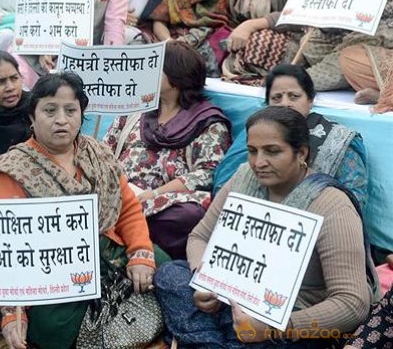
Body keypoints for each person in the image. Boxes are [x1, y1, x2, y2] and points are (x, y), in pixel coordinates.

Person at [155, 105, 379, 348]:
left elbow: (352, 303)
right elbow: (199, 237)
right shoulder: (243, 177)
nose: (259, 162)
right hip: (232, 300)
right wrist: (205, 281)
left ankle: (207, 339)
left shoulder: (331, 204)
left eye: (272, 152)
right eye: (252, 151)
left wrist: (276, 328)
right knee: (170, 275)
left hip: (290, 319)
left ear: (301, 153)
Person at [0, 71, 167, 349]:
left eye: (70, 110)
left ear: (81, 114)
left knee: (167, 271)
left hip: (110, 249)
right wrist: (11, 313)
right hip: (54, 271)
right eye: (50, 110)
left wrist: (140, 254)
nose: (61, 120)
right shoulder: (11, 172)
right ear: (32, 116)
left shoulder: (97, 153)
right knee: (52, 330)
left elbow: (126, 206)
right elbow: (2, 253)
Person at [103, 41, 231, 259]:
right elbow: (105, 150)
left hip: (163, 201)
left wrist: (153, 194)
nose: (148, 73)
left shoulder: (207, 121)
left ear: (176, 78)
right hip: (120, 193)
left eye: (156, 67)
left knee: (190, 214)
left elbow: (206, 173)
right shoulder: (136, 108)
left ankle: (127, 236)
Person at [214, 64, 368, 208]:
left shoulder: (337, 139)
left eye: (294, 96)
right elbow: (224, 185)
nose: (285, 103)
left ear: (310, 100)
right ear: (267, 103)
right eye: (276, 98)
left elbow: (353, 200)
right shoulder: (254, 134)